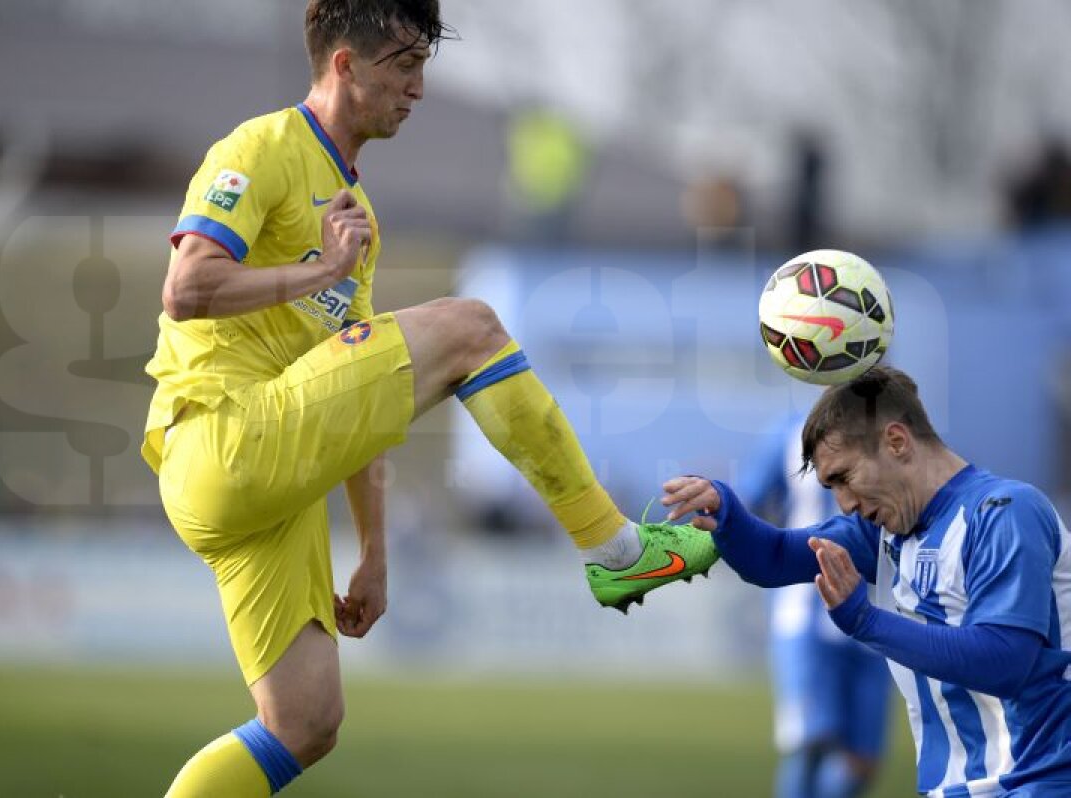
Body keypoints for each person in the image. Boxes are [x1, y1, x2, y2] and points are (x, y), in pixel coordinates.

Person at [141, 2, 718, 795]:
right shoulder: (262, 147)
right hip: (223, 435)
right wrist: (321, 272)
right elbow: (186, 288)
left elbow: (355, 401)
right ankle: (613, 550)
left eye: (423, 68)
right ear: (345, 65)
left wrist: (374, 552)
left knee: (305, 725)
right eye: (404, 66)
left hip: (269, 473)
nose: (419, 88)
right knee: (473, 326)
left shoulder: (356, 214)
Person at [664, 366, 1071, 796]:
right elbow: (775, 556)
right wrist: (725, 511)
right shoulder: (885, 533)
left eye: (844, 477)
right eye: (829, 487)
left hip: (1044, 781)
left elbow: (1003, 661)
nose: (845, 504)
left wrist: (865, 620)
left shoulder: (1005, 513)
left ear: (896, 441)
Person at [738, 414, 891, 798]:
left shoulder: (896, 436)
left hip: (877, 618)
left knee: (861, 763)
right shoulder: (790, 434)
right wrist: (777, 551)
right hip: (805, 613)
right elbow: (748, 504)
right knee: (811, 743)